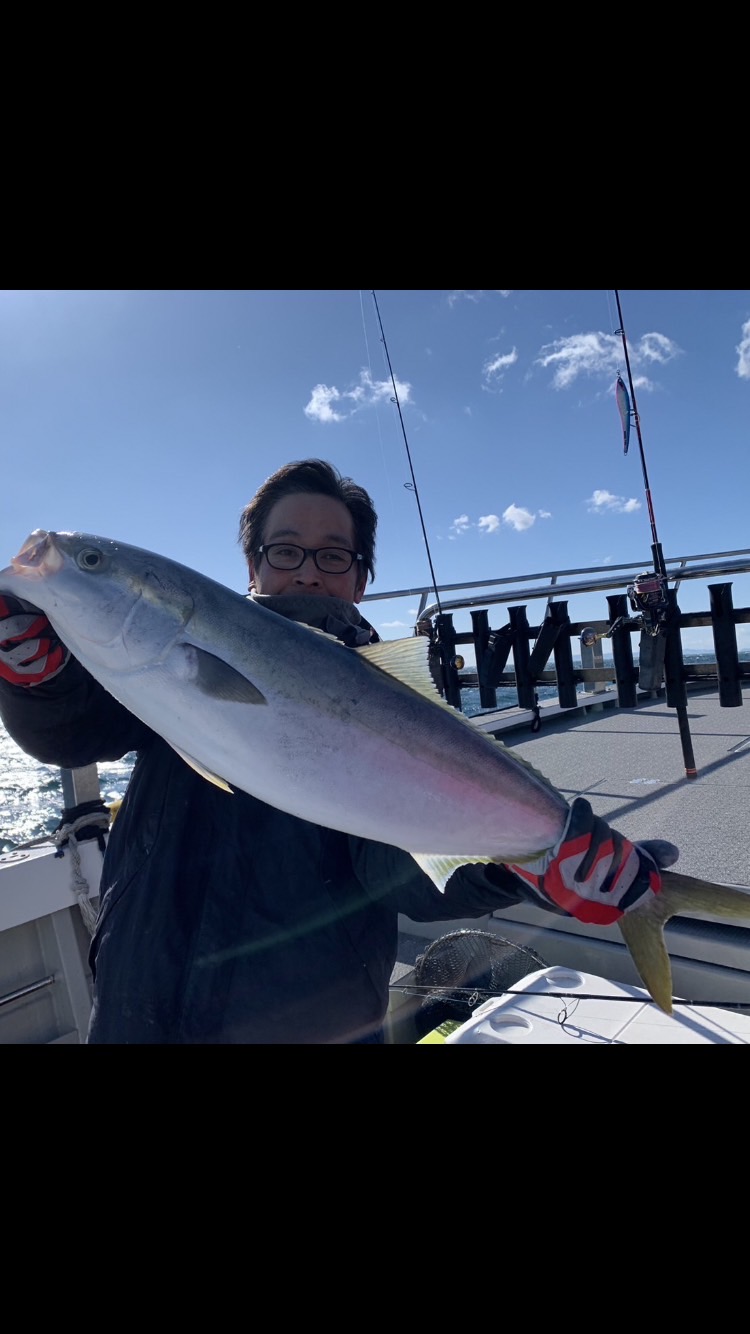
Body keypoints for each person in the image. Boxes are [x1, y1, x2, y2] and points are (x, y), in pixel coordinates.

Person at [0, 459, 677, 1044]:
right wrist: (40, 680)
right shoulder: (153, 675)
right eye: (285, 549)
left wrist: (525, 864)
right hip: (135, 1006)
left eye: (333, 555)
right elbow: (72, 733)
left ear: (361, 578)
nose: (308, 572)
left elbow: (403, 868)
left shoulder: (391, 700)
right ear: (253, 563)